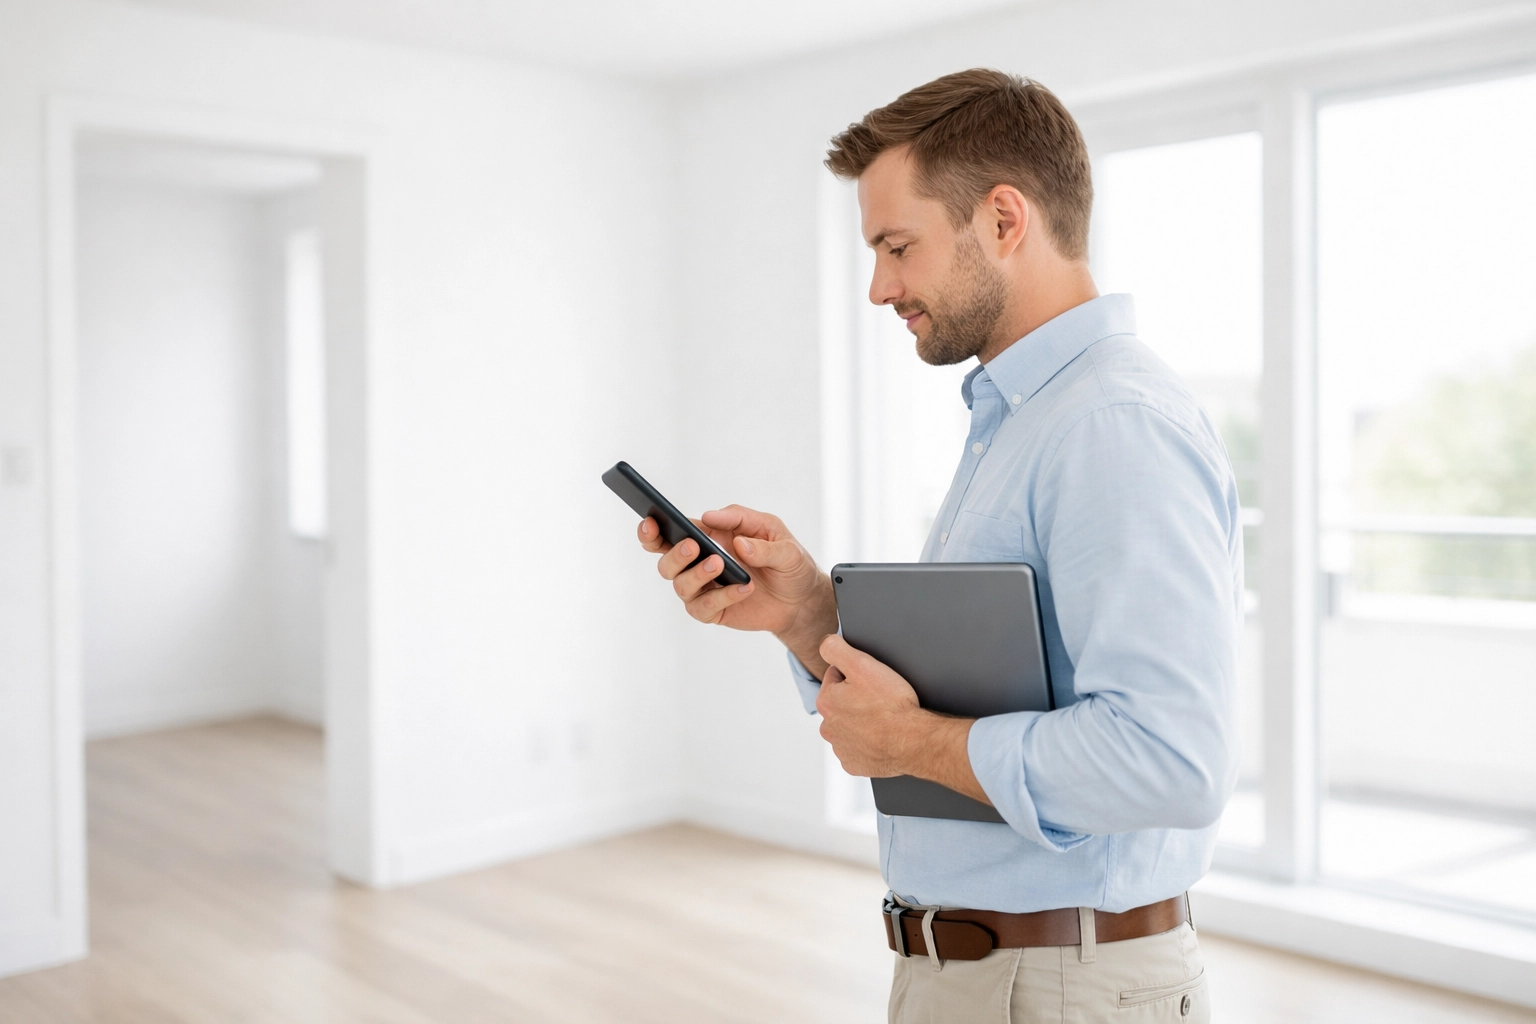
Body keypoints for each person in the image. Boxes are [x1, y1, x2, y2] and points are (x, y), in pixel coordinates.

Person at [636, 69, 1240, 1023]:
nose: (880, 288)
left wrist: (913, 743)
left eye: (897, 246)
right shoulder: (1022, 416)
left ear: (1004, 220)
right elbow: (1003, 682)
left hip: (1055, 986)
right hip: (990, 972)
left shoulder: (1110, 424)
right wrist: (809, 617)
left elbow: (1173, 760)